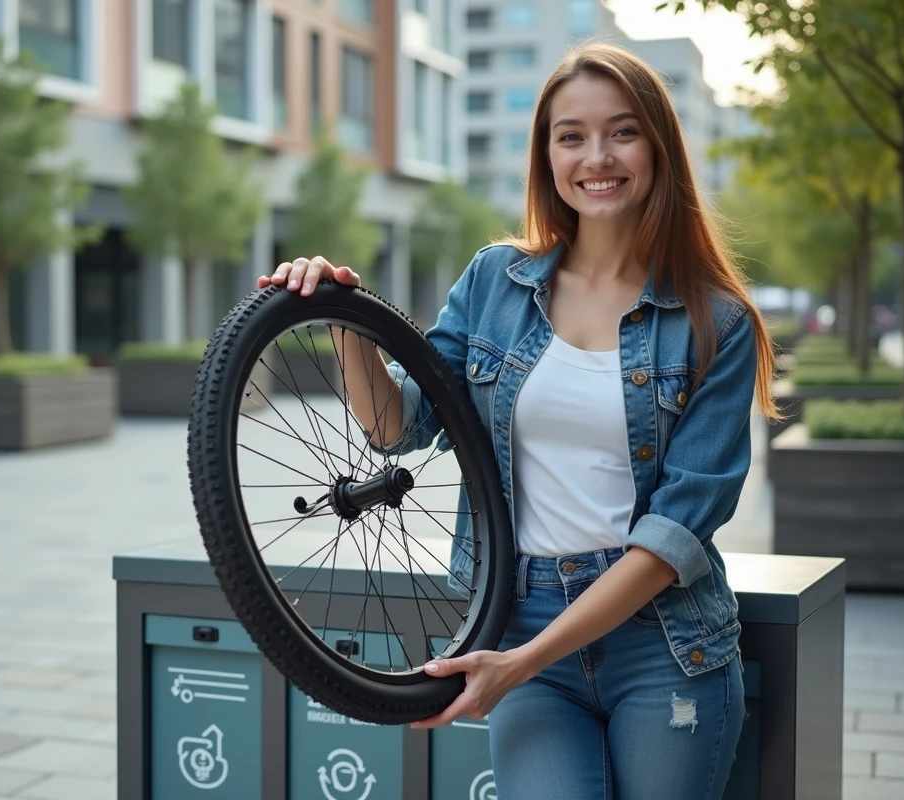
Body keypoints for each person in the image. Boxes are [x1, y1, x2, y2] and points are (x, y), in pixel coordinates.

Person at [260, 42, 778, 800]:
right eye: (571, 135)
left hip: (664, 641)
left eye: (622, 131)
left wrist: (522, 660)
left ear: (659, 147)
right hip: (517, 612)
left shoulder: (717, 324)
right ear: (547, 155)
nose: (596, 156)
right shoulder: (494, 283)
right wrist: (343, 315)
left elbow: (676, 534)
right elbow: (396, 425)